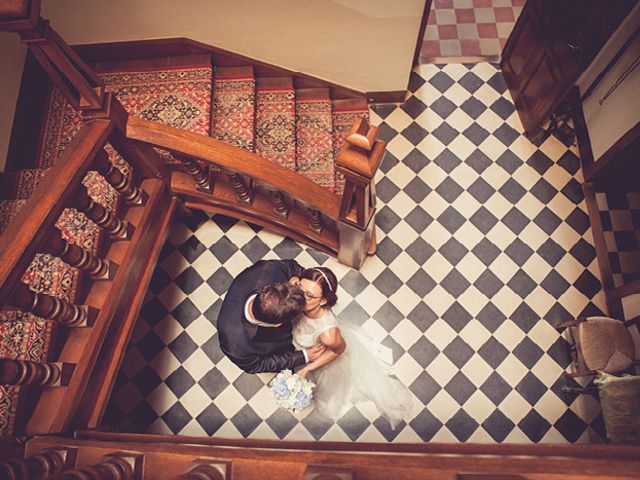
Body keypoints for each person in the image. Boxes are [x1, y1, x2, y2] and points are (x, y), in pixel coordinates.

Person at [292, 267, 413, 429]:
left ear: (323, 301)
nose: (299, 297)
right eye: (300, 288)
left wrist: (308, 368)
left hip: (321, 356)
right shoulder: (298, 294)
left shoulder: (329, 334)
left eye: (309, 296)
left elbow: (337, 350)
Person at [217, 259, 325, 374]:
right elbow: (256, 365)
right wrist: (303, 357)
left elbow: (292, 268)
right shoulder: (235, 344)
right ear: (277, 324)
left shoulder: (270, 269)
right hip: (281, 347)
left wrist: (299, 280)